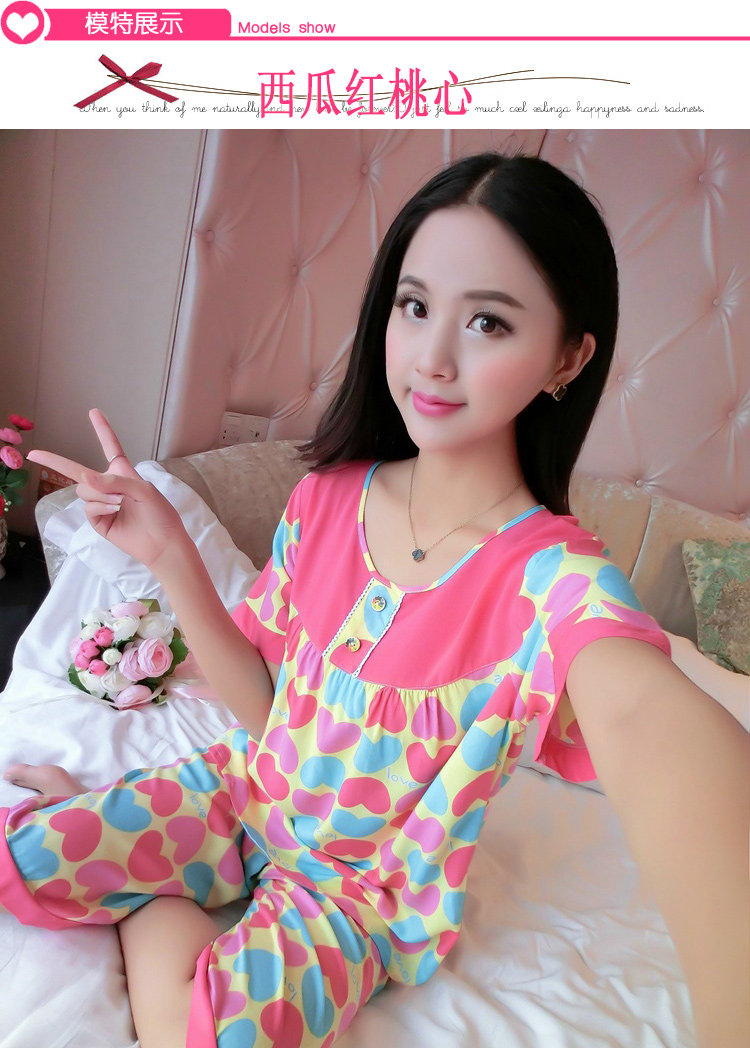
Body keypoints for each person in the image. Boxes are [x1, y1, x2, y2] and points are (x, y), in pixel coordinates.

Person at [1, 152, 747, 1048]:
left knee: (200, 1036)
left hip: (355, 896)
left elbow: (653, 724)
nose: (431, 358)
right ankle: (127, 861)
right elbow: (266, 711)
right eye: (415, 306)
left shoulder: (553, 583)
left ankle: (149, 905)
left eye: (488, 322)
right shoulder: (325, 500)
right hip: (245, 795)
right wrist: (168, 553)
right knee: (20, 862)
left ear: (568, 357)